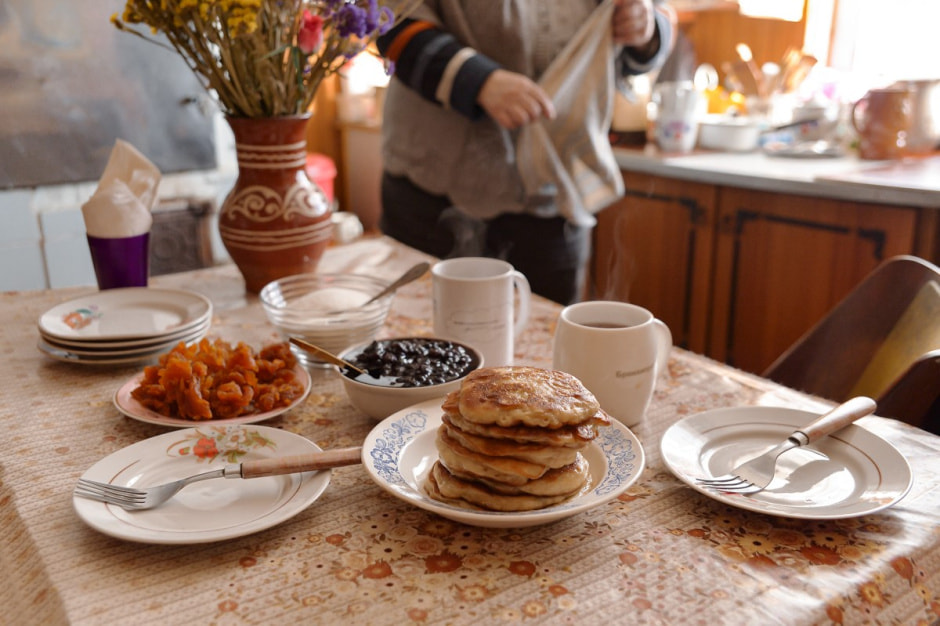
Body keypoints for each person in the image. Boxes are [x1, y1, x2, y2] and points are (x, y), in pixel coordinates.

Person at [376, 0, 674, 304]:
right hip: (432, 188)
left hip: (558, 192)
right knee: (417, 330)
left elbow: (657, 17)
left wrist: (645, 28)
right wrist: (476, 80)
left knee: (546, 337)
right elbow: (389, 19)